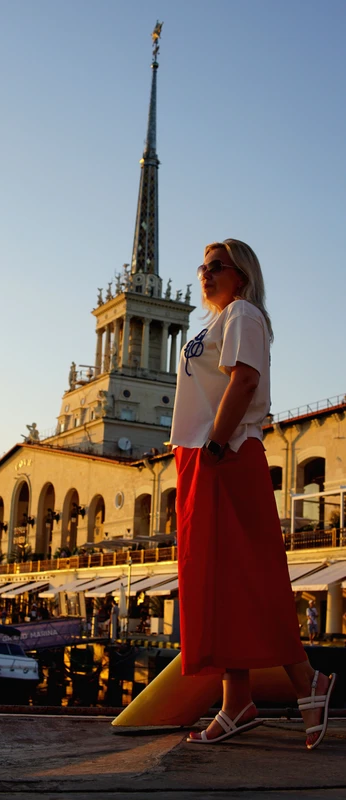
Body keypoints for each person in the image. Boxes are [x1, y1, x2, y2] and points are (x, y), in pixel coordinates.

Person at [170, 239, 335, 750]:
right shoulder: (214, 324)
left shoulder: (243, 313)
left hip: (229, 451)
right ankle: (235, 700)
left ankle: (306, 678)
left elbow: (245, 380)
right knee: (218, 580)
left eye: (216, 265)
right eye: (202, 265)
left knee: (247, 573)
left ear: (241, 273)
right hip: (204, 454)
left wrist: (217, 443)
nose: (205, 273)